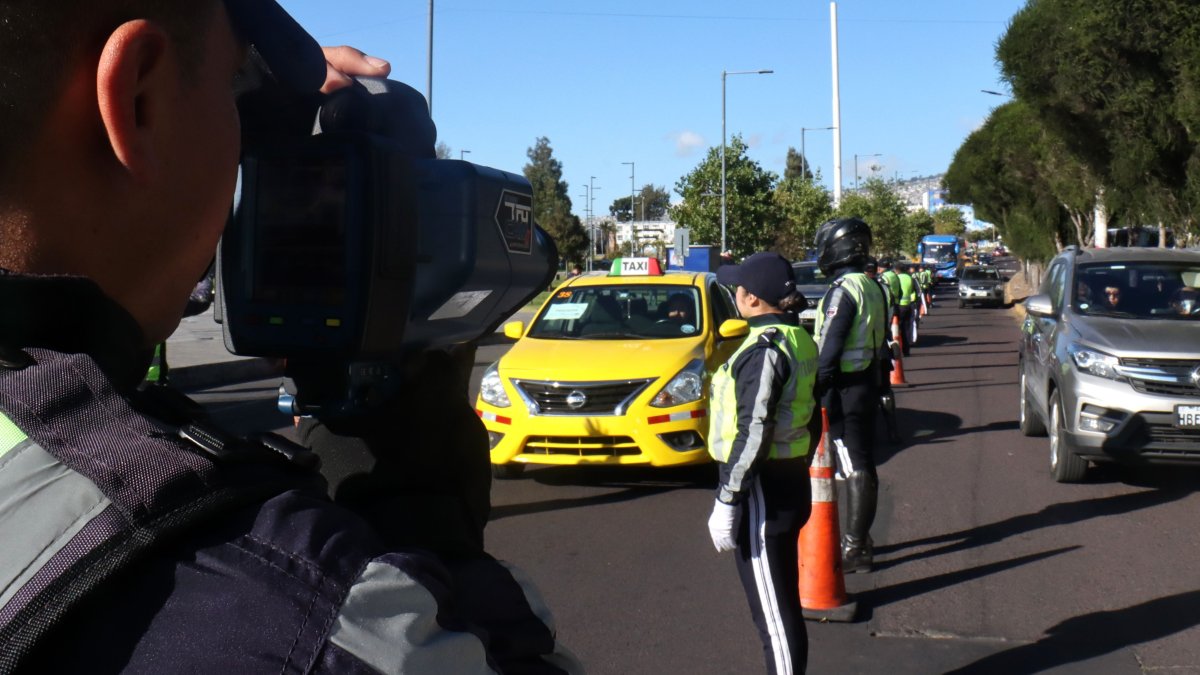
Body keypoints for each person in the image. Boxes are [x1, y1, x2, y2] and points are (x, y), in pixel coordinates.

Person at [0, 2, 576, 672]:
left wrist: (202, 86)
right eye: (230, 90)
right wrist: (421, 513)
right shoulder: (319, 626)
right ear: (137, 100)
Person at [706, 252, 821, 675]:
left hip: (762, 490)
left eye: (737, 287)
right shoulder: (798, 337)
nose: (734, 292)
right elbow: (812, 417)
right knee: (781, 604)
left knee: (773, 618)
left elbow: (753, 430)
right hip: (786, 479)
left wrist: (728, 499)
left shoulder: (764, 349)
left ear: (752, 299)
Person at [812, 218, 888, 573]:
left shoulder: (843, 290)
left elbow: (829, 346)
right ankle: (862, 540)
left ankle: (855, 546)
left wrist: (818, 387)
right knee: (863, 459)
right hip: (867, 382)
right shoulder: (874, 286)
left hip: (844, 387)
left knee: (854, 464)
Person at [864, 259, 901, 444]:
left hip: (861, 348)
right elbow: (891, 309)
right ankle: (892, 431)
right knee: (884, 389)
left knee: (863, 392)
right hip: (881, 343)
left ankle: (867, 434)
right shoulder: (883, 288)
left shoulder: (857, 289)